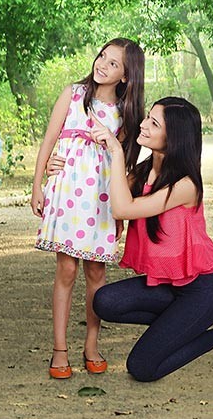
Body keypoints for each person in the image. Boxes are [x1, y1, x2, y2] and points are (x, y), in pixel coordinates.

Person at [87, 97, 213, 382]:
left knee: (142, 367)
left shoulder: (186, 185)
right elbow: (106, 194)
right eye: (147, 118)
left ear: (173, 136)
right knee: (104, 302)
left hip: (205, 290)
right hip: (169, 287)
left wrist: (116, 150)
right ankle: (179, 327)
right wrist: (57, 168)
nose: (143, 124)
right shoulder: (143, 172)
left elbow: (123, 208)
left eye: (154, 122)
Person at [32, 38, 145, 379]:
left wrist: (121, 209)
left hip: (101, 198)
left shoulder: (126, 113)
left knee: (96, 273)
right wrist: (37, 184)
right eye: (102, 56)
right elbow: (49, 140)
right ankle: (59, 349)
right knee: (66, 271)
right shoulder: (74, 94)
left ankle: (91, 345)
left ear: (126, 76)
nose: (102, 64)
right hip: (68, 192)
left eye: (113, 63)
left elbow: (124, 165)